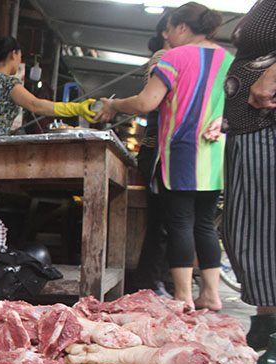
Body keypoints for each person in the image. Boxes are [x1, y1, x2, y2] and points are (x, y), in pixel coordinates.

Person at [95, 2, 233, 310]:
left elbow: (147, 102)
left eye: (169, 29)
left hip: (182, 151)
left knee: (181, 222)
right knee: (205, 223)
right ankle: (211, 294)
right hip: (215, 155)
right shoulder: (228, 60)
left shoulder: (175, 57)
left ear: (182, 27)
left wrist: (115, 105)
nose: (167, 36)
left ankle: (183, 297)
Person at [219, 0, 276, 350]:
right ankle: (267, 322)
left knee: (262, 229)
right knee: (251, 230)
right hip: (251, 126)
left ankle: (271, 334)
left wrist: (271, 74)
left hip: (265, 123)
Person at [0, 35, 97, 136]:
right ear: (14, 54)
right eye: (20, 57)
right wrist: (78, 108)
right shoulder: (8, 84)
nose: (19, 61)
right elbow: (36, 105)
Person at [132, 12, 173, 299]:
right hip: (156, 149)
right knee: (161, 219)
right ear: (170, 31)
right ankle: (149, 284)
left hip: (170, 149)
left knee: (171, 220)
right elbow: (153, 99)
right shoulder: (163, 56)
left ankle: (154, 281)